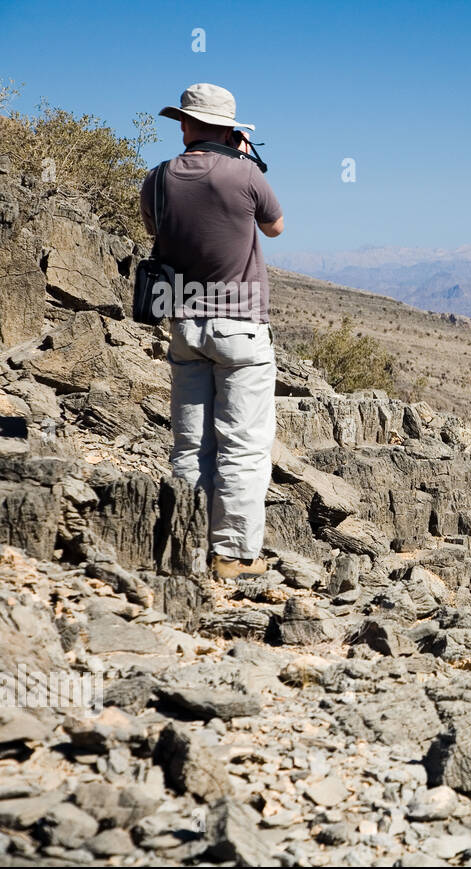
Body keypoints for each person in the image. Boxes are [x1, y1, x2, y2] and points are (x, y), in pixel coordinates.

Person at [140, 83, 284, 580]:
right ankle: (231, 556)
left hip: (185, 325)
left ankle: (186, 545)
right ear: (230, 129)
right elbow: (275, 227)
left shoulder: (157, 179)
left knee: (189, 446)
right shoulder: (245, 175)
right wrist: (248, 164)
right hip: (241, 326)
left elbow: (153, 230)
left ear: (184, 124)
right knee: (242, 446)